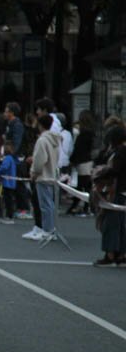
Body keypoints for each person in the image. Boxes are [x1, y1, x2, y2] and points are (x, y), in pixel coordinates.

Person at [91, 126, 126, 266]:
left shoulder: (120, 152)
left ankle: (110, 253)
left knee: (110, 223)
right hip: (122, 190)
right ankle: (121, 253)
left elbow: (114, 170)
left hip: (117, 190)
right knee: (121, 224)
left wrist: (98, 175)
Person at [28, 113, 61, 241]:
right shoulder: (56, 140)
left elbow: (39, 160)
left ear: (40, 125)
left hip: (43, 175)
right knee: (50, 204)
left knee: (44, 205)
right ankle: (51, 228)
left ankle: (47, 230)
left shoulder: (42, 140)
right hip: (52, 173)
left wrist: (34, 172)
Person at [66, 111, 96, 217]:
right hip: (88, 160)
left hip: (82, 161)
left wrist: (72, 160)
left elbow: (78, 148)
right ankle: (86, 206)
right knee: (86, 184)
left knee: (82, 184)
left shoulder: (83, 134)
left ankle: (80, 205)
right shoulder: (91, 133)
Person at [0, 141, 18, 224]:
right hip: (12, 182)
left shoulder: (7, 158)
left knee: (7, 200)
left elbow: (4, 168)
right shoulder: (13, 159)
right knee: (9, 200)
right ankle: (9, 215)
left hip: (7, 182)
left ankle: (9, 217)